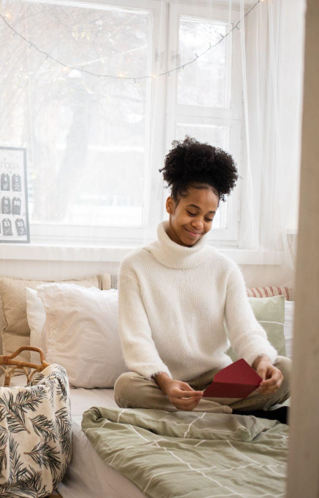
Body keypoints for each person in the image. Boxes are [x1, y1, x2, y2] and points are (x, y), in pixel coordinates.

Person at [114, 137, 291, 421]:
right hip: (163, 384)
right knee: (125, 387)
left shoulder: (225, 269)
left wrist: (263, 362)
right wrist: (168, 383)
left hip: (219, 382)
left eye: (209, 217)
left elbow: (244, 331)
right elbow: (137, 341)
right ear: (171, 204)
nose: (199, 225)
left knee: (288, 371)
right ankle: (222, 412)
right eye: (192, 212)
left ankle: (202, 409)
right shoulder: (135, 266)